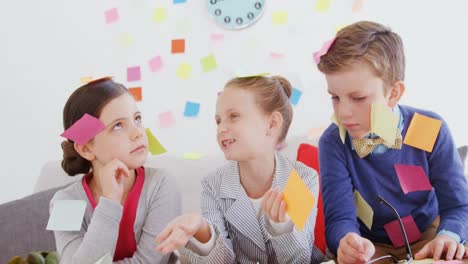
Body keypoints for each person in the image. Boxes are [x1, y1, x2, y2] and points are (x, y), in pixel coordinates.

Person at [315, 21, 468, 263]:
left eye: (358, 97)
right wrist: (346, 241)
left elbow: (459, 205)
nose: (343, 113)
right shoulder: (333, 142)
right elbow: (338, 219)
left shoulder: (429, 127)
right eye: (335, 97)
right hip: (370, 246)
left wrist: (449, 236)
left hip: (430, 234)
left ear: (394, 93)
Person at [155, 75, 324, 263]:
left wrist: (282, 227)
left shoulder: (302, 178)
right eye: (218, 121)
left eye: (233, 116)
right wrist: (202, 230)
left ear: (272, 124)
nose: (221, 128)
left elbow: (300, 260)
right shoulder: (213, 185)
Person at [50, 77, 181, 263]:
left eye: (137, 119)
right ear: (86, 148)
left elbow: (150, 261)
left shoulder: (162, 184)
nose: (138, 133)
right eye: (118, 125)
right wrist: (110, 201)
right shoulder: (64, 202)